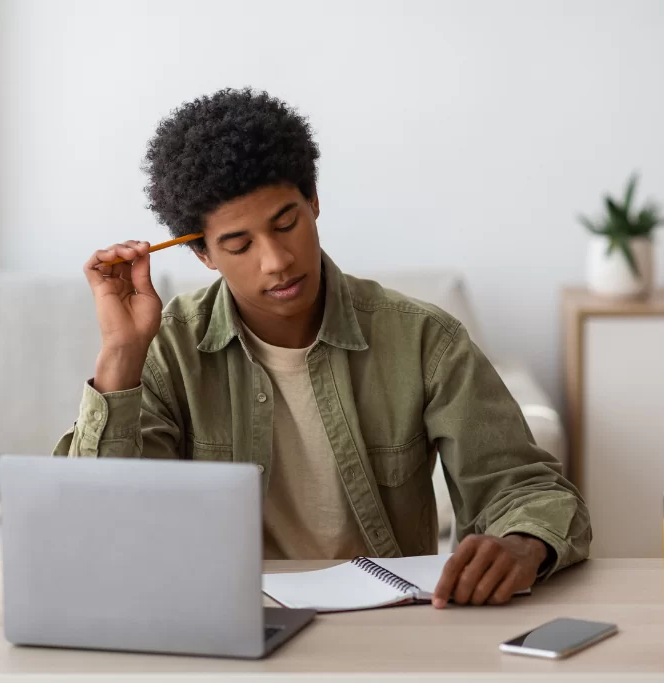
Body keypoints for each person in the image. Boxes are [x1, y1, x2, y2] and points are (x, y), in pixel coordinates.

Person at [54, 87, 591, 607]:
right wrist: (121, 353)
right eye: (239, 244)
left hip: (386, 626)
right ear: (204, 256)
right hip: (223, 623)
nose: (276, 260)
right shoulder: (168, 350)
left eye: (286, 223)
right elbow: (97, 529)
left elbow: (522, 487)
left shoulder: (423, 339)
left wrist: (524, 542)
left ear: (313, 202)